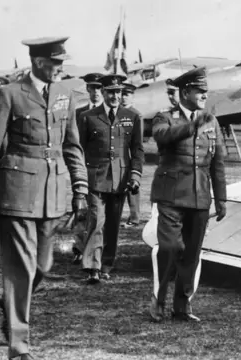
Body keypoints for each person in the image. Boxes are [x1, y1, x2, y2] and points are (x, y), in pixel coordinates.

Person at [0, 37, 89, 360]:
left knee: (43, 266)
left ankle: (9, 305)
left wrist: (80, 188)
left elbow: (72, 146)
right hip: (17, 193)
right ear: (38, 62)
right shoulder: (9, 95)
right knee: (20, 270)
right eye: (56, 63)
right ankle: (19, 347)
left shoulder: (65, 95)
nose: (61, 68)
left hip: (52, 194)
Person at [149, 66, 227, 323]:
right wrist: (190, 126)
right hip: (171, 195)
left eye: (206, 91)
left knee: (192, 255)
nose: (205, 95)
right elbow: (162, 137)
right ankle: (159, 301)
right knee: (170, 248)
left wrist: (221, 198)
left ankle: (182, 307)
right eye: (199, 91)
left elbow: (217, 162)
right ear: (185, 92)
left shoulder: (210, 120)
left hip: (200, 197)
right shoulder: (165, 117)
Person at [77, 74, 144, 284]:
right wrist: (80, 177)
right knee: (96, 220)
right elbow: (79, 149)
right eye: (111, 92)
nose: (115, 96)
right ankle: (93, 267)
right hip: (95, 177)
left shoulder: (132, 116)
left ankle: (106, 264)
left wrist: (135, 174)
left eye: (118, 92)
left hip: (121, 178)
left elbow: (138, 149)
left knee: (113, 224)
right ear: (103, 93)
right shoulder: (88, 117)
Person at [70, 72, 104, 265]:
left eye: (99, 88)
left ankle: (93, 251)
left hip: (101, 171)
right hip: (83, 170)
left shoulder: (108, 113)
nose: (96, 92)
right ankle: (78, 247)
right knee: (80, 209)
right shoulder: (78, 113)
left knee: (97, 214)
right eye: (92, 88)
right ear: (88, 90)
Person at [120, 81, 142, 229]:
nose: (123, 97)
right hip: (117, 156)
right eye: (122, 94)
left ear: (132, 97)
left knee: (133, 187)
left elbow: (138, 142)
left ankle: (135, 217)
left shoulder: (135, 115)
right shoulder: (115, 112)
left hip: (130, 156)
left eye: (127, 95)